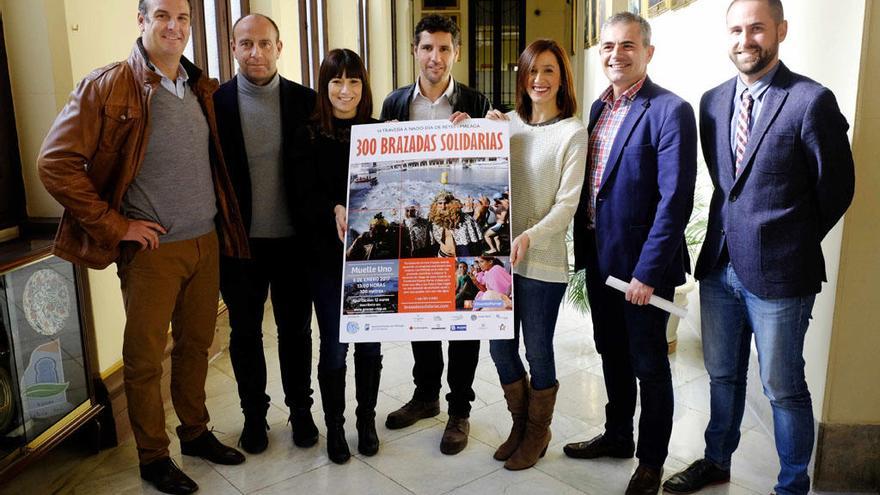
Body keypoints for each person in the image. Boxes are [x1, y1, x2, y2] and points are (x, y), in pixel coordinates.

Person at [37, 1, 250, 493]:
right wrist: (116, 226)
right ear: (142, 21)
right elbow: (55, 164)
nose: (174, 27)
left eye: (183, 19)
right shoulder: (109, 86)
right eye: (162, 16)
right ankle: (154, 456)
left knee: (198, 345)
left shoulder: (201, 87)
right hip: (153, 253)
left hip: (205, 242)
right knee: (144, 360)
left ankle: (195, 433)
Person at [663, 2, 855, 494]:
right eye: (735, 29)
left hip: (782, 276)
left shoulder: (811, 100)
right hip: (719, 266)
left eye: (757, 29)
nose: (745, 39)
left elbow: (837, 189)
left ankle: (791, 486)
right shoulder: (712, 102)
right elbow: (728, 184)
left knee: (783, 388)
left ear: (780, 31)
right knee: (723, 376)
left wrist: (788, 241)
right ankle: (716, 461)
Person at [567, 12, 697, 495]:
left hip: (643, 271)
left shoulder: (669, 110)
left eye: (627, 46)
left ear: (648, 52)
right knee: (611, 354)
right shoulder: (599, 109)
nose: (616, 55)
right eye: (607, 47)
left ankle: (650, 461)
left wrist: (646, 273)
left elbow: (675, 200)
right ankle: (618, 435)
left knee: (649, 365)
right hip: (602, 263)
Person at [380, 13, 491, 455]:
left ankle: (459, 410)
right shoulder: (394, 104)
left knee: (464, 318)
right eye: (427, 47)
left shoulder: (476, 101)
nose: (435, 57)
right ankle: (426, 396)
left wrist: (486, 131)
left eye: (444, 49)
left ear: (456, 54)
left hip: (457, 224)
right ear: (415, 51)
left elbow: (491, 164)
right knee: (421, 313)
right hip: (422, 227)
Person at [212, 13, 318, 455]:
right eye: (246, 44)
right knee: (245, 332)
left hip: (294, 242)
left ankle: (301, 411)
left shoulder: (306, 101)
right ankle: (254, 415)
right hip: (239, 244)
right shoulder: (215, 104)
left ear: (280, 47)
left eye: (264, 43)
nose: (256, 52)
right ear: (234, 48)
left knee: (295, 332)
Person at [484, 38, 587, 470]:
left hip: (541, 261)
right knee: (500, 348)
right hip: (500, 263)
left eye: (548, 70)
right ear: (521, 77)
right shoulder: (504, 123)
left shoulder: (573, 132)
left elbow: (567, 204)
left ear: (561, 76)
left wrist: (529, 235)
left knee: (538, 349)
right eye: (532, 71)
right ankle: (520, 424)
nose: (539, 80)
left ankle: (538, 432)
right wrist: (469, 128)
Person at [293, 48, 383, 465]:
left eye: (353, 82)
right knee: (334, 346)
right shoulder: (307, 133)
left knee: (369, 346)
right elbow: (300, 194)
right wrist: (333, 207)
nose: (345, 91)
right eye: (336, 82)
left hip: (371, 263)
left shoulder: (380, 132)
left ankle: (366, 421)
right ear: (324, 85)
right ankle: (335, 426)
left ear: (363, 87)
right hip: (326, 260)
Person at [428, 192, 483, 257]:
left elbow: (476, 240)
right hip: (443, 255)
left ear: (452, 204)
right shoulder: (434, 221)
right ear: (436, 205)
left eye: (446, 203)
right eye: (440, 203)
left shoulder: (465, 219)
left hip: (461, 255)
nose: (443, 207)